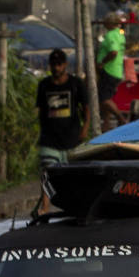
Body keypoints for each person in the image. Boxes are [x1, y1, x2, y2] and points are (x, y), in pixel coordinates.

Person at [35, 50, 85, 204]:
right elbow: (39, 110)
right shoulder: (44, 85)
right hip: (49, 139)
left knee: (73, 176)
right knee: (46, 172)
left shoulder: (75, 84)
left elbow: (86, 108)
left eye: (59, 64)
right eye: (53, 64)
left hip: (71, 138)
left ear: (65, 65)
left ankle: (74, 203)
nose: (56, 68)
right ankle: (45, 206)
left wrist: (85, 129)